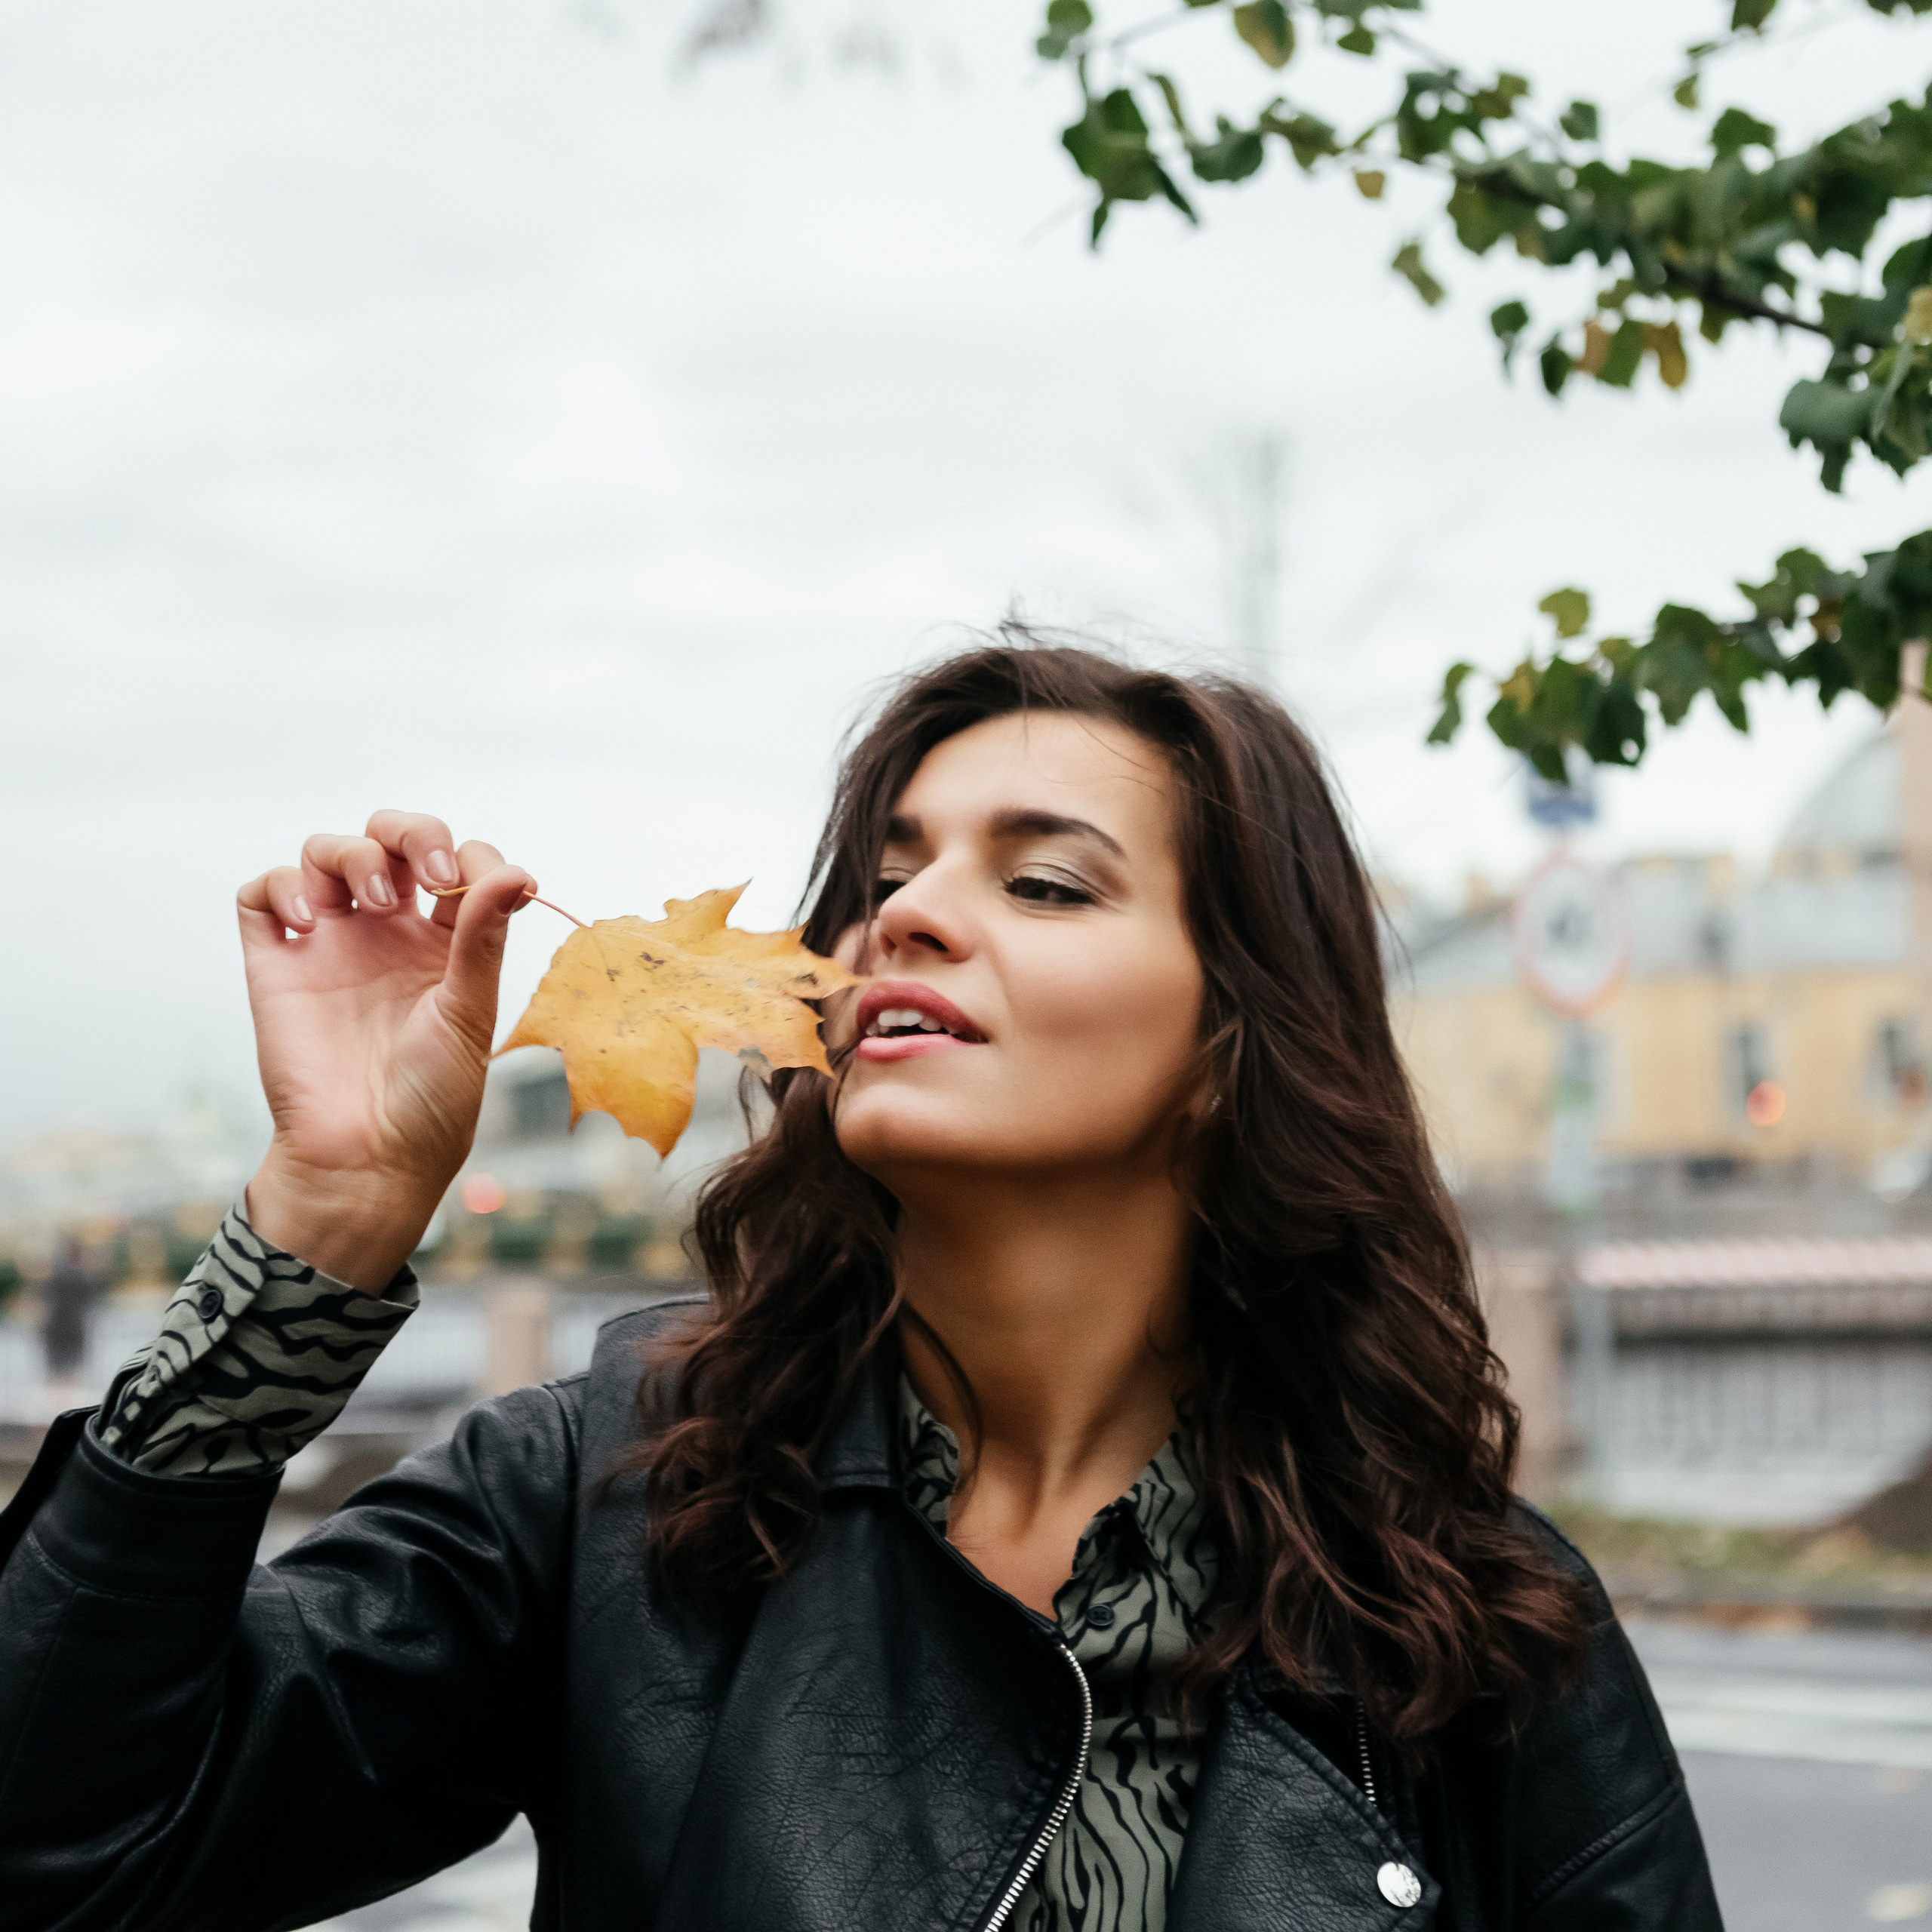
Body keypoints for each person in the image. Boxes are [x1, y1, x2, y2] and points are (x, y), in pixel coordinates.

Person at [0, 639, 1721, 1931]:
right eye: (892, 870)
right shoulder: (615, 1493)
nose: (906, 916)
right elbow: (65, 1843)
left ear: (1222, 1045)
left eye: (1041, 878)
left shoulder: (1467, 1622)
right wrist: (322, 1225)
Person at [38, 1234, 100, 1393]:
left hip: (54, 1330)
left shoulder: (55, 1275)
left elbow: (45, 1304)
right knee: (71, 1380)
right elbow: (87, 1304)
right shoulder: (81, 1277)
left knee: (55, 1380)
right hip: (73, 1330)